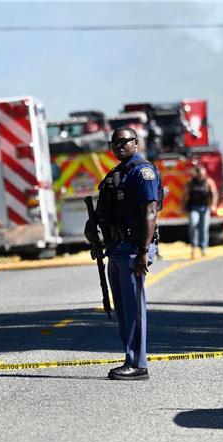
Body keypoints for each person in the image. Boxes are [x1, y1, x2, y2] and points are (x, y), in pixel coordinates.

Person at [85, 127, 160, 381]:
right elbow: (99, 215)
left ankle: (138, 364)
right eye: (114, 142)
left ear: (135, 143)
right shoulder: (113, 175)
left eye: (124, 141)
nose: (118, 146)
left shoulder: (143, 172)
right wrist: (92, 233)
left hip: (133, 248)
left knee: (134, 308)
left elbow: (150, 212)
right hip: (115, 248)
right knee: (123, 310)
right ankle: (129, 357)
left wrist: (143, 252)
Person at [183, 165, 218, 259]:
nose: (201, 175)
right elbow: (186, 194)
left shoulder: (208, 182)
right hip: (194, 207)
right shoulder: (191, 182)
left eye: (202, 173)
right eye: (199, 173)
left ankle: (203, 248)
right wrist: (184, 206)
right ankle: (194, 246)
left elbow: (214, 193)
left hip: (205, 207)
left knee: (204, 227)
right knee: (193, 224)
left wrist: (213, 205)